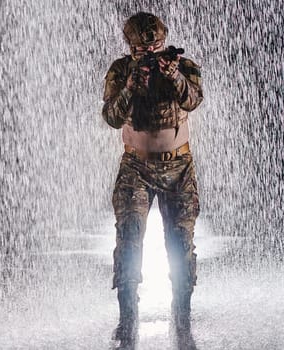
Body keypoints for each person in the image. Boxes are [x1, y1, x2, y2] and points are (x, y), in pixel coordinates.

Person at [101, 12, 203, 349]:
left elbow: (193, 100)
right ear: (131, 47)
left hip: (179, 169)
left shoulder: (182, 65)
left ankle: (183, 317)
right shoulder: (120, 70)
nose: (152, 52)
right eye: (144, 48)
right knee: (129, 241)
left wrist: (173, 76)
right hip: (136, 168)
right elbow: (112, 118)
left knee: (181, 243)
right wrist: (132, 85)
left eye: (156, 46)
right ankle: (127, 319)